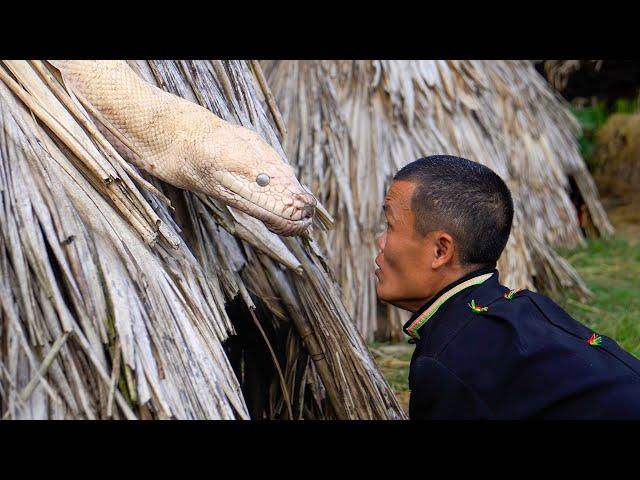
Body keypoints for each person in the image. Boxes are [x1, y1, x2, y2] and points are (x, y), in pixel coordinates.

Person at [374, 155, 640, 419]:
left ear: (440, 251)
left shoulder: (448, 365)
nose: (380, 241)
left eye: (390, 226)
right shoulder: (527, 306)